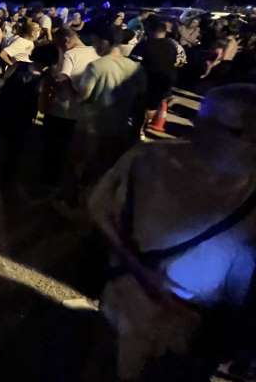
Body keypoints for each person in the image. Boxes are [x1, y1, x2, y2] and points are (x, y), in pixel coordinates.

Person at [89, 84, 256, 381]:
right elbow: (98, 208)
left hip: (195, 331)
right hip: (127, 309)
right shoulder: (147, 159)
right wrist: (133, 266)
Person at [0, 44, 60, 248]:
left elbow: (4, 83)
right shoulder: (45, 78)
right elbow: (41, 104)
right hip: (22, 116)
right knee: (15, 148)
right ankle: (6, 179)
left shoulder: (20, 65)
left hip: (4, 107)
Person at [74, 26, 147, 192]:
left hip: (93, 127)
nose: (94, 47)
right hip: (120, 126)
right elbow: (140, 100)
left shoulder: (96, 66)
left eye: (95, 43)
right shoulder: (136, 67)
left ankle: (79, 198)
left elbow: (84, 96)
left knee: (85, 166)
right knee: (107, 168)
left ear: (104, 43)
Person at [40, 27, 99, 194]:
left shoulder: (70, 54)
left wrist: (51, 77)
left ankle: (48, 184)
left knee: (53, 151)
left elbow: (62, 77)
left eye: (59, 44)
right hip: (83, 114)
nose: (59, 48)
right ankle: (66, 185)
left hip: (62, 110)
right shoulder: (95, 52)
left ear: (66, 40)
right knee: (70, 152)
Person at [131, 19, 179, 131]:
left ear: (150, 31)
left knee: (141, 106)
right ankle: (144, 126)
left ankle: (138, 128)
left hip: (148, 80)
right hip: (165, 80)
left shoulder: (145, 44)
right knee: (153, 106)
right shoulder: (172, 45)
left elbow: (133, 63)